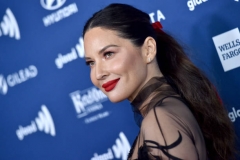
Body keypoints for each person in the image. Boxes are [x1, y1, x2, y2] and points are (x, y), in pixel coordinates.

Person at [82, 3, 236, 160]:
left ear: (148, 49)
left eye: (108, 54)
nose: (98, 73)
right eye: (91, 63)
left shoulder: (160, 120)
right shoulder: (167, 111)